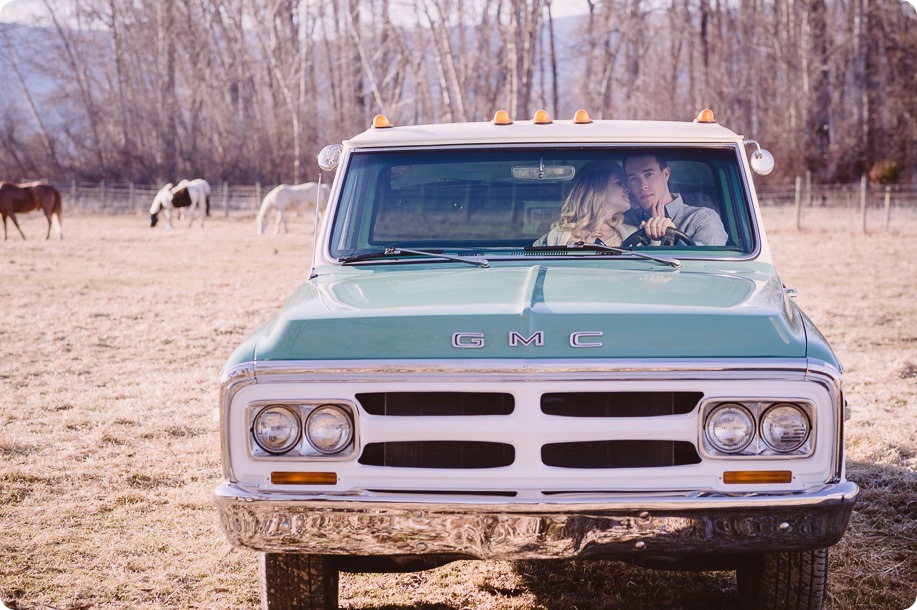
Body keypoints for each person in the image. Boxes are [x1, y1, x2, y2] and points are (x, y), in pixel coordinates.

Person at [623, 154, 728, 246]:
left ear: (666, 174)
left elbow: (707, 265)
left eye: (649, 174)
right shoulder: (625, 219)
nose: (643, 186)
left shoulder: (702, 218)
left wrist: (673, 237)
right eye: (633, 179)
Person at [534, 164, 637, 247]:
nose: (627, 189)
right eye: (619, 183)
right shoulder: (554, 236)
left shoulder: (635, 235)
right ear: (597, 189)